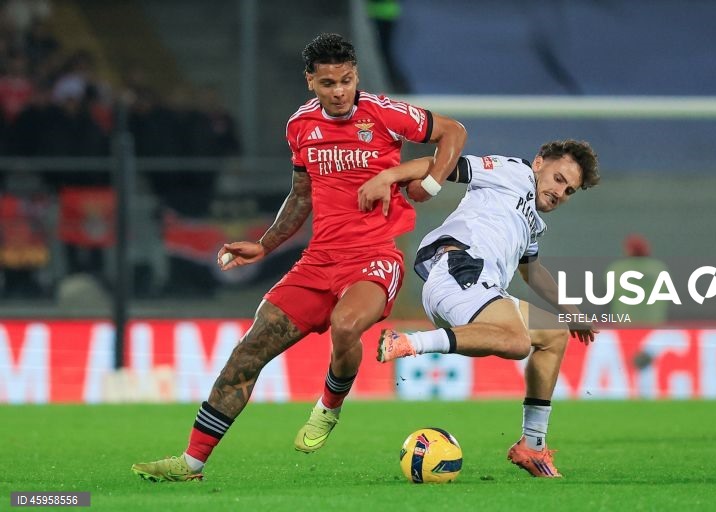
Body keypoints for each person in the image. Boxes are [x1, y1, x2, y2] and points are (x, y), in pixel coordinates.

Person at [131, 33, 466, 481]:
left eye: (346, 80)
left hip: (373, 256)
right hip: (317, 261)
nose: (339, 91)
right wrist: (265, 244)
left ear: (356, 76)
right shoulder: (300, 125)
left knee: (346, 325)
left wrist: (431, 184)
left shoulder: (384, 113)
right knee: (247, 353)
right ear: (310, 80)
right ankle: (191, 463)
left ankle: (329, 406)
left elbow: (453, 132)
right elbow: (301, 194)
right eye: (328, 83)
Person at [358, 140, 600, 478]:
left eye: (569, 190)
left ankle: (532, 445)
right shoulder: (511, 171)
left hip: (480, 288)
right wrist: (389, 177)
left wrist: (572, 312)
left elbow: (531, 271)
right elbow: (440, 163)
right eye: (558, 179)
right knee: (518, 342)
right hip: (459, 268)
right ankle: (411, 342)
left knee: (552, 334)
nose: (561, 192)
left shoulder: (531, 220)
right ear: (538, 163)